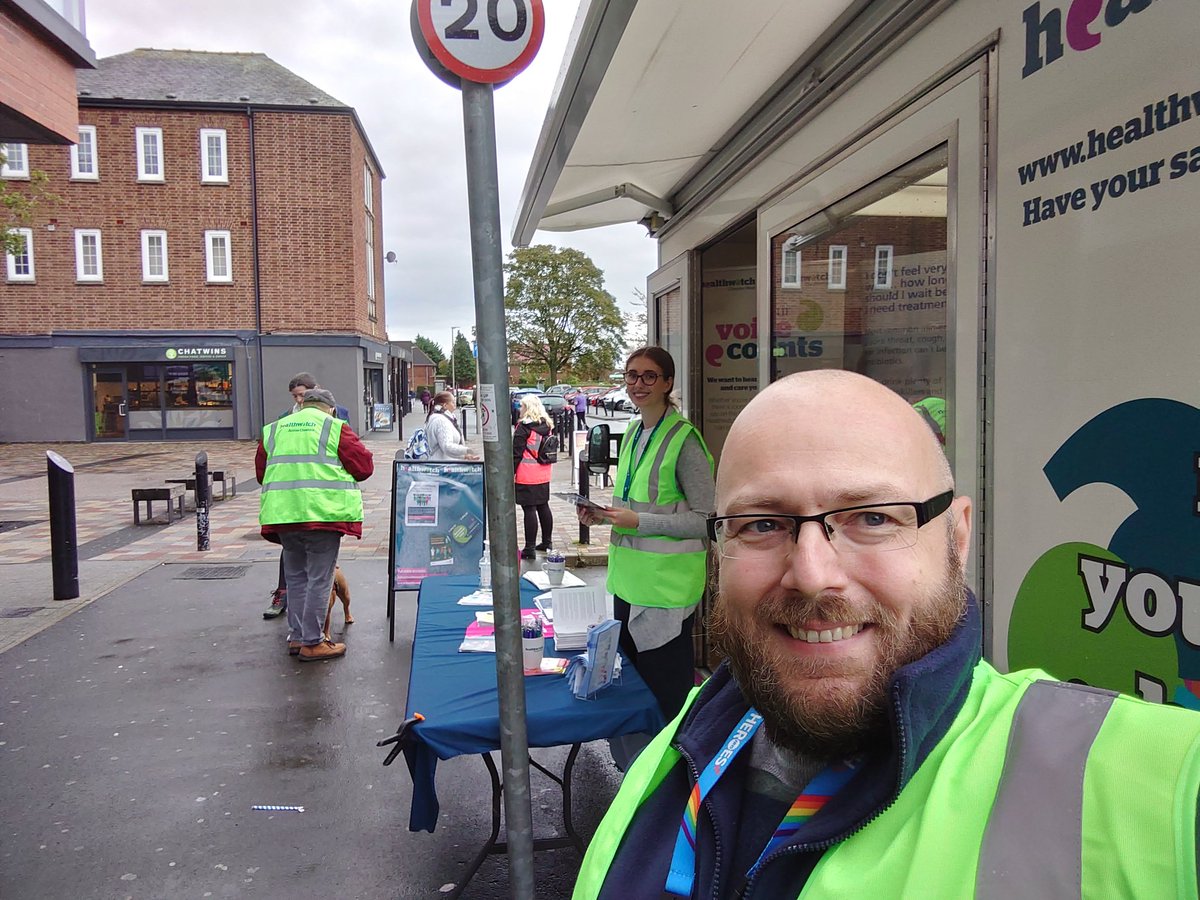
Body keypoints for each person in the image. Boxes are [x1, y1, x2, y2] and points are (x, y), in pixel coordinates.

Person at [573, 370, 1200, 899]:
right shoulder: (679, 747)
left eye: (872, 517)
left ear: (956, 537)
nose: (812, 575)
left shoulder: (1151, 779)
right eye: (762, 524)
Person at [577, 347, 715, 739]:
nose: (638, 384)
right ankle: (642, 776)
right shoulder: (636, 431)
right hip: (628, 583)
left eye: (649, 376)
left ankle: (672, 779)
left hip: (665, 590)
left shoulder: (684, 440)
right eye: (632, 375)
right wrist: (600, 515)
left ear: (668, 383)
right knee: (637, 692)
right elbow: (635, 503)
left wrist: (639, 521)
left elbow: (707, 521)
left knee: (667, 701)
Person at [256, 388, 373, 661]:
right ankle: (313, 641)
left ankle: (296, 637)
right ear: (330, 408)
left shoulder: (274, 429)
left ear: (303, 404)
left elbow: (262, 474)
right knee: (320, 579)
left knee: (296, 578)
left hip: (283, 515)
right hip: (323, 513)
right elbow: (364, 467)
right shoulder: (334, 428)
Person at [263, 372, 350, 619]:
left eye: (302, 395)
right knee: (301, 567)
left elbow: (349, 452)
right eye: (295, 396)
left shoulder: (338, 413)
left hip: (322, 498)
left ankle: (302, 633)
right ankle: (303, 625)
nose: (300, 401)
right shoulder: (283, 420)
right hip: (291, 501)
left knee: (313, 567)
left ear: (314, 391)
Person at [513, 393, 555, 560]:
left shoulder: (523, 427)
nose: (520, 409)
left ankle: (529, 548)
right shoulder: (546, 425)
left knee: (529, 509)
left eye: (522, 406)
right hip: (543, 472)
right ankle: (547, 542)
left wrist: (511, 472)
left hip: (526, 474)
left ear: (528, 408)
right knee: (543, 506)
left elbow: (516, 453)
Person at [425, 390, 479, 461]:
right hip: (444, 466)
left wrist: (464, 456)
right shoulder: (441, 421)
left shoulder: (436, 417)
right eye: (453, 402)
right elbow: (447, 447)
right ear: (445, 405)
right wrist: (467, 450)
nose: (455, 404)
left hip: (441, 463)